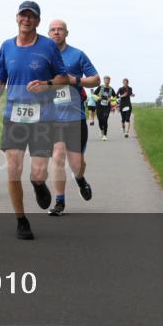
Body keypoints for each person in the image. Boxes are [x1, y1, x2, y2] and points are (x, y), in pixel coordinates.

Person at [0, 1, 68, 240]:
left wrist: (47, 84)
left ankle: (38, 184)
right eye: (23, 15)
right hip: (14, 115)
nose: (27, 19)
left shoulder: (48, 46)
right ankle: (21, 220)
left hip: (43, 117)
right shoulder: (6, 46)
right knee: (13, 169)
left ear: (37, 21)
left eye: (31, 16)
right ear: (16, 18)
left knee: (38, 172)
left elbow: (63, 77)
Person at [46, 20, 99, 216]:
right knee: (58, 156)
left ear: (66, 33)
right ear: (48, 33)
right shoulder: (43, 56)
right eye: (53, 29)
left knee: (77, 165)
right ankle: (59, 201)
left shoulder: (77, 55)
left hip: (75, 117)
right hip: (53, 117)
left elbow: (95, 79)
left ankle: (80, 179)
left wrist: (75, 80)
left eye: (60, 29)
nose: (56, 32)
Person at [94, 76, 117, 141]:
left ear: (109, 81)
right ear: (104, 81)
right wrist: (98, 98)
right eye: (106, 80)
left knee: (105, 119)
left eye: (108, 80)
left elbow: (115, 97)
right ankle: (102, 130)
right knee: (100, 120)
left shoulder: (111, 89)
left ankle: (105, 135)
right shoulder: (100, 87)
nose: (107, 81)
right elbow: (94, 95)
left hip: (107, 106)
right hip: (99, 106)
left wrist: (111, 100)